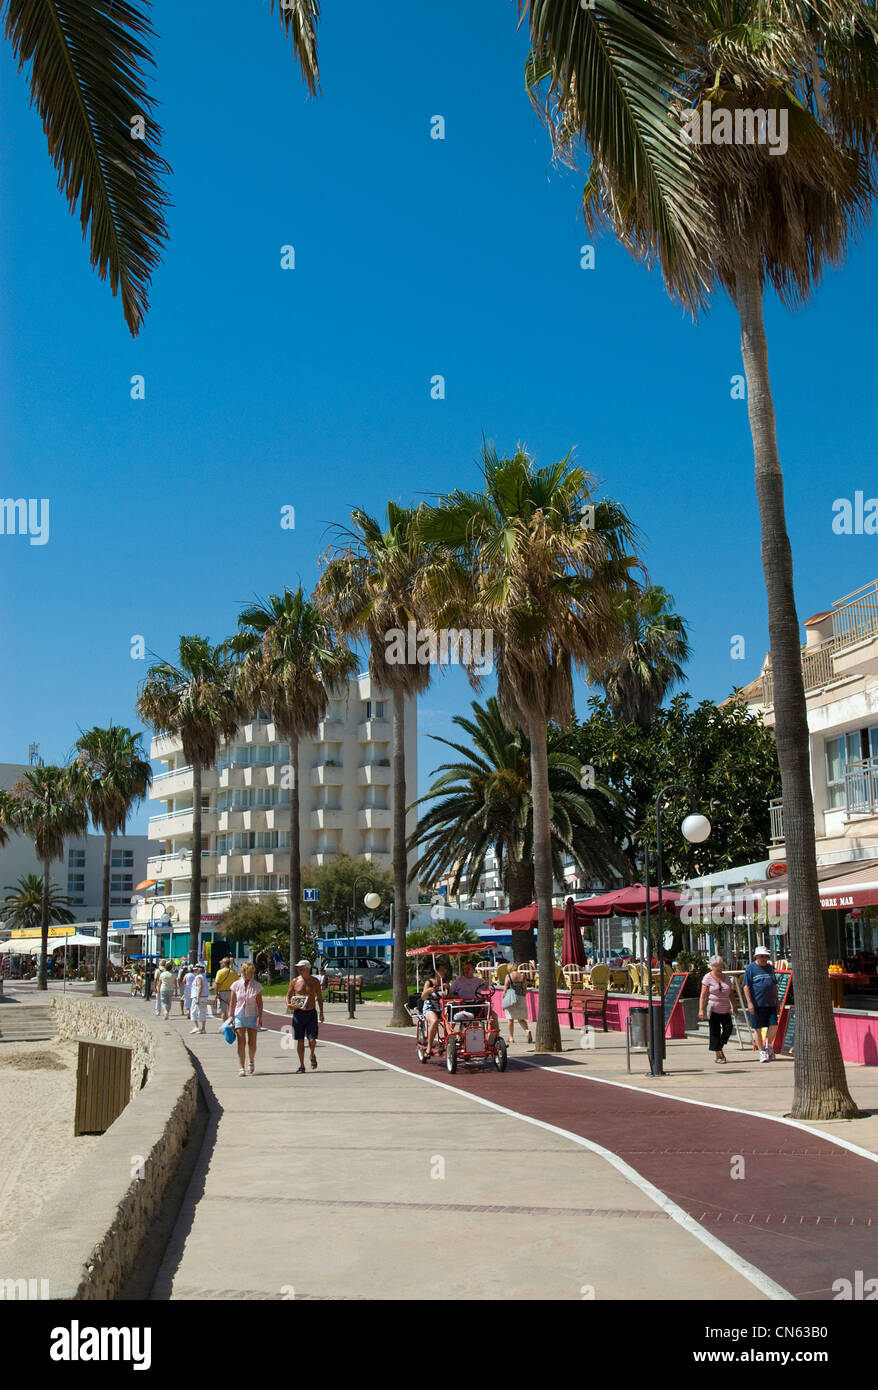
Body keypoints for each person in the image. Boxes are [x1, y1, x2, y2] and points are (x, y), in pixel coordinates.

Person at [285, 960, 325, 1072]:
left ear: (307, 968)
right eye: (298, 968)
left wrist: (321, 1012)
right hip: (299, 1013)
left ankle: (312, 1054)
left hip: (311, 1012)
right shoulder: (295, 981)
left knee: (312, 1040)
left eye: (301, 968)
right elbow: (288, 995)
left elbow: (320, 997)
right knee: (300, 1040)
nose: (299, 970)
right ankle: (302, 1065)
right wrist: (288, 1004)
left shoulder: (315, 981)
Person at [743, 945, 780, 1062]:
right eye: (761, 956)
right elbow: (746, 986)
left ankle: (768, 1046)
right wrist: (749, 1003)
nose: (763, 959)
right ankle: (761, 1052)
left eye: (765, 956)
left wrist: (777, 1000)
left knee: (774, 1025)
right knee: (757, 1028)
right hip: (756, 1004)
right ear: (756, 957)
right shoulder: (750, 968)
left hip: (770, 1003)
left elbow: (774, 985)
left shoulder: (770, 968)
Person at [449, 959, 499, 1037]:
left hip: (476, 1005)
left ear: (473, 970)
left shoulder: (478, 981)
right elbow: (450, 993)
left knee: (493, 1015)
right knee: (453, 1013)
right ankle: (451, 1034)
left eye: (468, 969)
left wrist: (486, 983)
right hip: (462, 1005)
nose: (466, 971)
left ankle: (493, 1037)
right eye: (465, 969)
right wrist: (457, 997)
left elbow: (486, 988)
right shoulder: (459, 981)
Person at [229, 961, 263, 1075]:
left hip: (252, 1014)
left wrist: (260, 1017)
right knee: (241, 1041)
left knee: (252, 1042)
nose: (252, 975)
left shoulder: (256, 986)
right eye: (250, 972)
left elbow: (260, 1003)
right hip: (239, 1014)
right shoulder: (236, 985)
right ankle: (241, 1067)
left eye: (253, 972)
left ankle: (251, 1061)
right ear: (244, 972)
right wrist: (231, 1018)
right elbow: (232, 1002)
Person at [698, 955, 734, 1064]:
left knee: (728, 1028)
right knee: (715, 1032)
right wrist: (701, 1009)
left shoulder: (727, 978)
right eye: (716, 966)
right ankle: (719, 1054)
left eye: (720, 966)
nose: (719, 968)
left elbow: (731, 993)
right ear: (712, 966)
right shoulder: (707, 978)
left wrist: (735, 1006)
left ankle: (719, 1046)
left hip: (725, 1008)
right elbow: (703, 995)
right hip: (712, 1009)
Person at [500, 961, 533, 1046]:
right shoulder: (522, 976)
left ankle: (511, 1037)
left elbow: (505, 989)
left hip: (511, 998)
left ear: (509, 968)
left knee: (510, 1019)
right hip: (521, 997)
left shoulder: (508, 976)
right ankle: (527, 1030)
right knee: (521, 1019)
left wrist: (503, 999)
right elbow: (525, 989)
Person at [420, 961, 448, 1058]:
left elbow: (450, 995)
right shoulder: (430, 982)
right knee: (435, 1021)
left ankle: (450, 1044)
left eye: (444, 970)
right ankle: (428, 1049)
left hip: (442, 1007)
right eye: (442, 970)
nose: (444, 972)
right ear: (436, 971)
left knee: (453, 1019)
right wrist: (428, 990)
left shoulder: (444, 982)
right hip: (430, 1007)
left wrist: (448, 988)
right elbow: (423, 997)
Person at [189, 963, 209, 1034]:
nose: (194, 971)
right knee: (202, 1012)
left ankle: (196, 1027)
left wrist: (197, 998)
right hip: (204, 996)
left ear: (199, 970)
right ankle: (203, 1028)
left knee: (193, 1011)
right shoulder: (204, 977)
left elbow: (200, 987)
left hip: (197, 996)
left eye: (196, 970)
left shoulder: (198, 977)